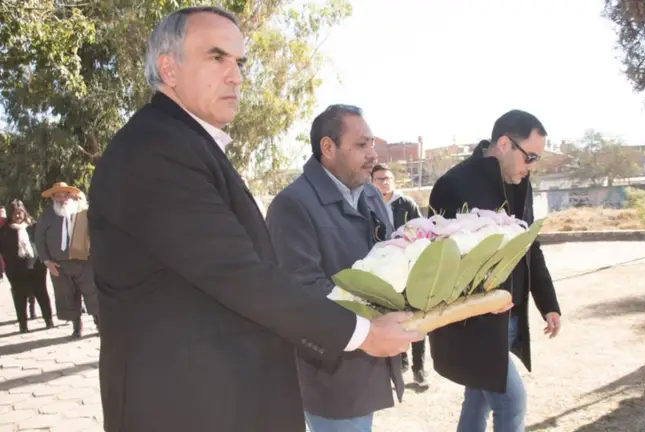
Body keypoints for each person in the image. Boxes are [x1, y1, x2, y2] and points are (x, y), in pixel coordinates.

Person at [87, 7, 421, 432]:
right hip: (186, 407)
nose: (236, 76)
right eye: (216, 57)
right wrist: (365, 334)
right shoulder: (156, 150)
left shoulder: (184, 143)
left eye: (239, 62)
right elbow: (239, 274)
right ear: (169, 68)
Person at [267, 106, 408, 432]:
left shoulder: (370, 195)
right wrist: (368, 330)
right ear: (328, 148)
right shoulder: (292, 205)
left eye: (372, 143)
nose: (372, 154)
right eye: (361, 145)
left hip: (373, 361)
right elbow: (302, 294)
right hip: (331, 374)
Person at [428, 110, 562, 432]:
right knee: (511, 401)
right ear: (504, 144)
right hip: (475, 326)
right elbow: (439, 263)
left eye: (536, 160)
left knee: (478, 400)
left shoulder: (520, 181)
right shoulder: (453, 185)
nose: (532, 167)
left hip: (511, 319)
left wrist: (549, 304)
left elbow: (530, 246)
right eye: (530, 157)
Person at [370, 163, 429, 387]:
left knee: (417, 317)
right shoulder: (368, 205)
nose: (384, 183)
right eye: (379, 179)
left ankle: (419, 368)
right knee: (394, 316)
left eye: (387, 179)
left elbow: (422, 231)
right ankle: (401, 363)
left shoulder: (406, 204)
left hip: (410, 268)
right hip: (385, 270)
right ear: (372, 183)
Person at [35, 182, 99, 337]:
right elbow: (39, 240)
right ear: (53, 197)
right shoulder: (46, 216)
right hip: (59, 265)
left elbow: (96, 233)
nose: (62, 199)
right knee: (67, 296)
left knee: (93, 294)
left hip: (85, 262)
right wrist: (47, 262)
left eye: (65, 195)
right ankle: (77, 327)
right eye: (58, 195)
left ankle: (99, 324)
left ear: (70, 196)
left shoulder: (82, 212)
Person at [0, 200, 54, 332]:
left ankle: (48, 320)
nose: (18, 216)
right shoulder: (4, 231)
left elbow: (43, 242)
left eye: (20, 213)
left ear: (24, 213)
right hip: (15, 269)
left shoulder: (33, 226)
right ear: (10, 215)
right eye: (15, 213)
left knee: (41, 293)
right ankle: (23, 324)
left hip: (37, 266)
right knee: (20, 296)